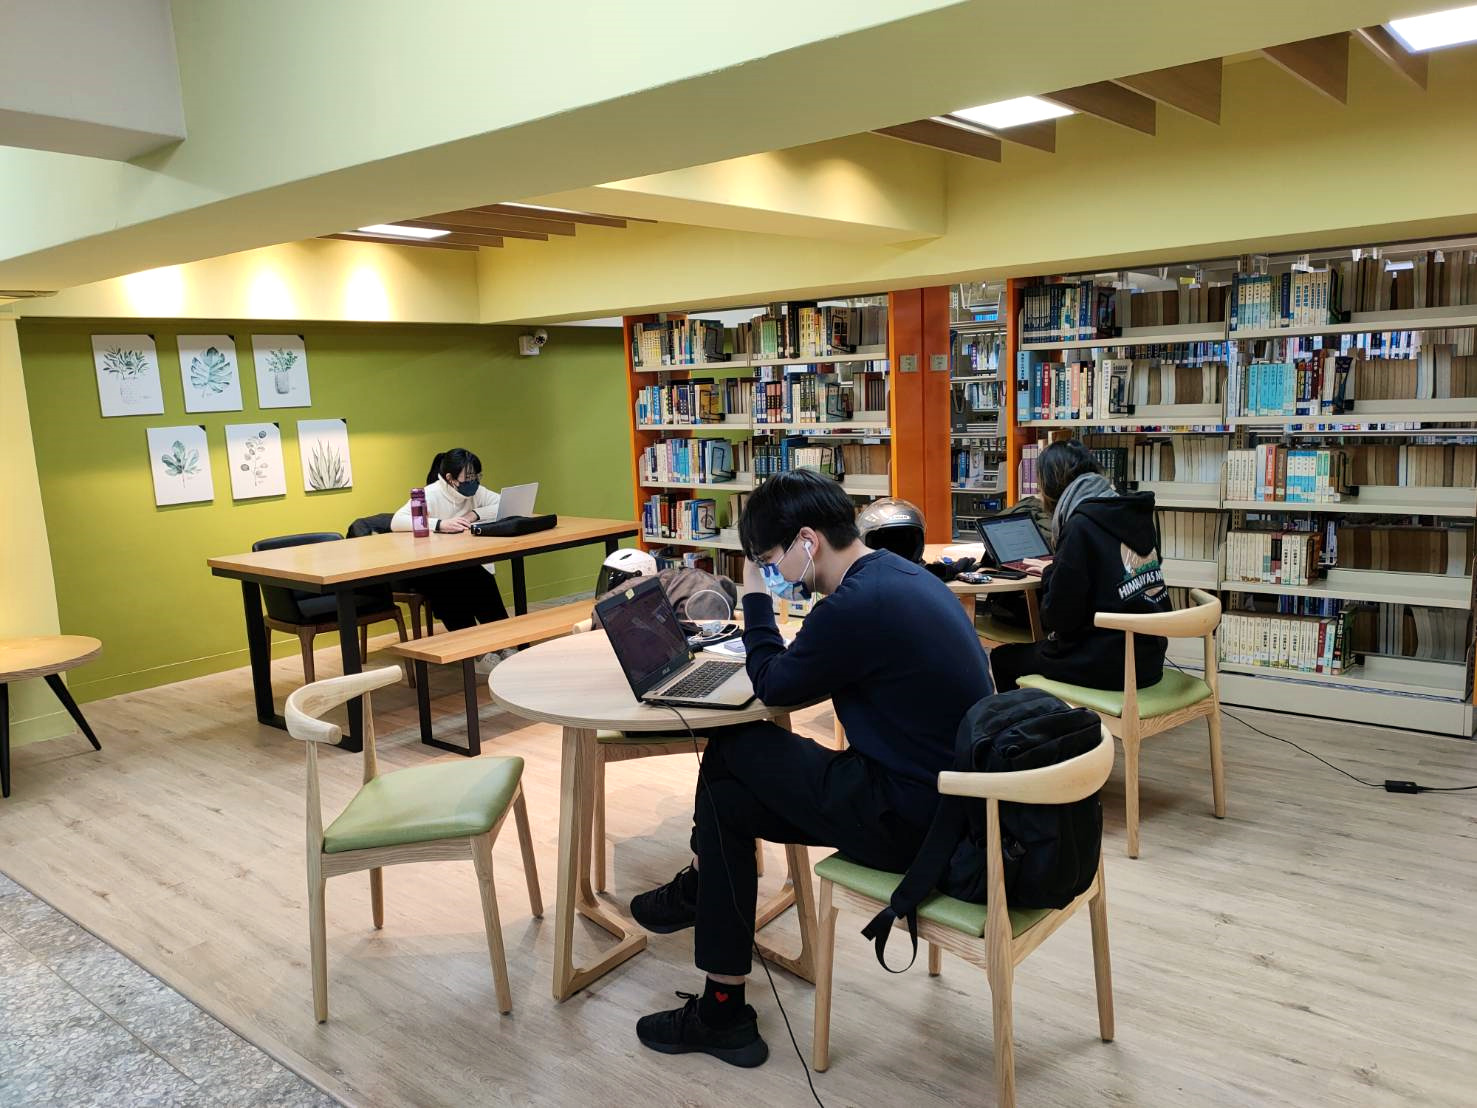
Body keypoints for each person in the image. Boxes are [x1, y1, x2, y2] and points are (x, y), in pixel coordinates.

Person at [629, 470, 994, 1068]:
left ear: (807, 540)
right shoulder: (898, 576)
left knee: (732, 746)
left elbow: (772, 682)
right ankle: (721, 999)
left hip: (917, 821)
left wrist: (752, 596)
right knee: (727, 798)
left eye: (770, 557)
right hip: (950, 804)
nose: (771, 569)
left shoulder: (854, 607)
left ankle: (707, 920)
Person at [988, 439, 1169, 694]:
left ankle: (1040, 727)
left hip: (1108, 665)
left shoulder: (1080, 526)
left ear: (1051, 485)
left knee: (1004, 658)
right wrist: (1056, 569)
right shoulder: (1130, 513)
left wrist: (1053, 576)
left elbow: (1059, 619)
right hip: (1148, 658)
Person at [390, 449, 510, 669]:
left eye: (476, 477)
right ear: (450, 479)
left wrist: (474, 514)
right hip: (431, 569)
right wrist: (439, 524)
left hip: (463, 563)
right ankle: (477, 652)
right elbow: (397, 521)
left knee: (481, 577)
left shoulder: (476, 493)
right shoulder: (430, 494)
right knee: (450, 585)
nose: (473, 483)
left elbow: (503, 504)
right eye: (468, 478)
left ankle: (502, 642)